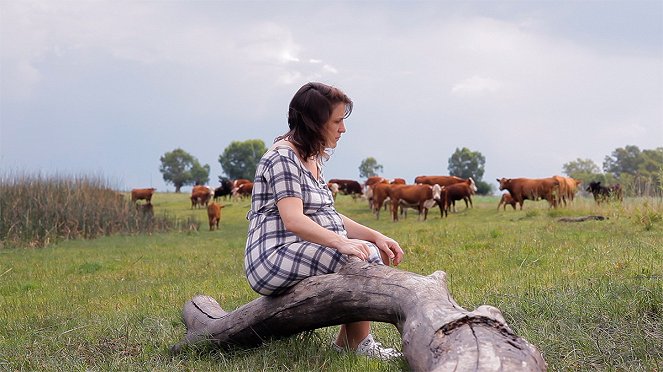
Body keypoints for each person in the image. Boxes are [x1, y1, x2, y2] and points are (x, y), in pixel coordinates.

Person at [244, 82, 404, 360]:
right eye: (337, 121)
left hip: (299, 249)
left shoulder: (312, 157)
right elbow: (293, 219)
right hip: (271, 256)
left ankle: (347, 343)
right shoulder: (282, 157)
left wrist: (375, 235)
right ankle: (360, 344)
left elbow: (328, 215)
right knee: (357, 259)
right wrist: (342, 243)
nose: (343, 129)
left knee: (368, 250)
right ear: (314, 122)